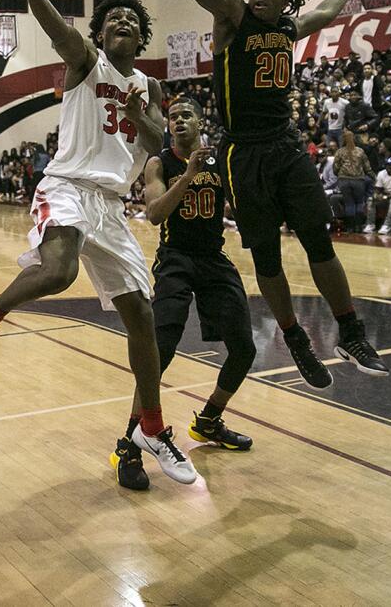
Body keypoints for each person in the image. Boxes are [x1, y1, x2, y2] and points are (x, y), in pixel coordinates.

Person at [0, 0, 197, 486]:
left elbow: (161, 144)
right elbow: (53, 24)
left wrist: (141, 113)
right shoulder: (85, 62)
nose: (123, 25)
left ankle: (151, 427)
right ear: (99, 35)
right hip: (66, 186)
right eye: (112, 22)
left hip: (111, 205)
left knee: (143, 320)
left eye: (132, 21)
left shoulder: (151, 88)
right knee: (58, 272)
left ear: (143, 33)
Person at [108, 0, 388, 388]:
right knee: (267, 257)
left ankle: (350, 330)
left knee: (319, 240)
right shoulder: (232, 17)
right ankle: (295, 338)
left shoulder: (287, 30)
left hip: (287, 146)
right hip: (243, 152)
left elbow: (325, 12)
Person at [109, 96, 258, 490]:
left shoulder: (219, 158)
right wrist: (189, 175)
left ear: (198, 120)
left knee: (244, 348)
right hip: (175, 258)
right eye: (172, 117)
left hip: (213, 257)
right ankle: (130, 444)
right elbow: (155, 213)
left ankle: (209, 419)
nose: (177, 121)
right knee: (160, 349)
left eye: (185, 115)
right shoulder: (160, 163)